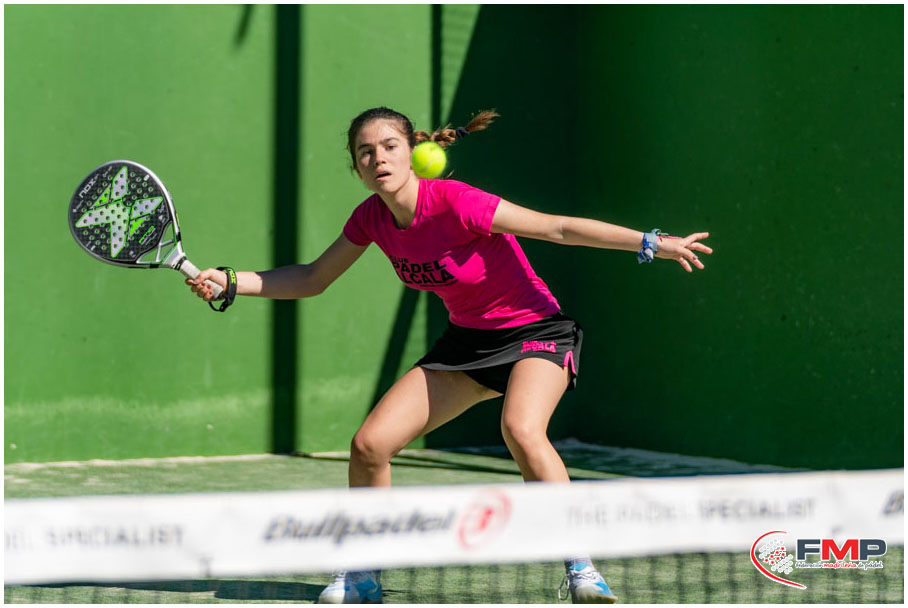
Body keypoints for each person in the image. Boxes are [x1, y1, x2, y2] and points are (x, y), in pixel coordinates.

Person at [188, 107, 712, 604]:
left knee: (521, 428)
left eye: (389, 146)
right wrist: (233, 281)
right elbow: (312, 277)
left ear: (411, 151)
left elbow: (555, 227)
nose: (378, 158)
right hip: (467, 344)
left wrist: (649, 242)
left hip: (536, 332)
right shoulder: (370, 219)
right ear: (357, 167)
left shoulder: (458, 202)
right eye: (366, 152)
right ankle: (364, 572)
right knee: (370, 445)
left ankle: (581, 566)